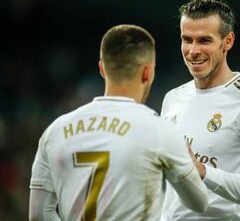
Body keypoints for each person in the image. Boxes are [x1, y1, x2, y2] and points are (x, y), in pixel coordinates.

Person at [29, 24, 208, 221]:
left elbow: (39, 215)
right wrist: (189, 165)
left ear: (102, 69)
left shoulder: (56, 130)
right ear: (148, 72)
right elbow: (198, 203)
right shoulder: (159, 130)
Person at [161, 0, 240, 220]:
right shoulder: (172, 98)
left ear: (228, 41)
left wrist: (202, 172)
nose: (193, 51)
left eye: (204, 40)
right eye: (187, 39)